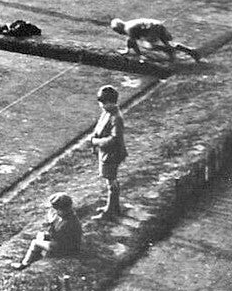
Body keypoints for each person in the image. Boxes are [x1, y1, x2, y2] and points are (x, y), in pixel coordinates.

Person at [11, 192, 82, 270]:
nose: (57, 212)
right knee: (41, 235)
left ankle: (24, 264)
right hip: (68, 245)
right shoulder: (70, 217)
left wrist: (50, 223)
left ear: (63, 209)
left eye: (58, 210)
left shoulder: (66, 223)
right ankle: (37, 255)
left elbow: (55, 236)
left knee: (35, 242)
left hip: (65, 249)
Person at [89, 84, 127, 221]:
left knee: (111, 181)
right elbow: (99, 127)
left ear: (111, 102)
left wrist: (96, 142)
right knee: (110, 179)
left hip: (112, 153)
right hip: (106, 152)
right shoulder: (107, 113)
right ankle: (113, 207)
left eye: (104, 103)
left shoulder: (116, 117)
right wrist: (93, 137)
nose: (101, 105)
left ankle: (110, 210)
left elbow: (115, 139)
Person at [110, 18, 201, 63]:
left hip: (153, 29)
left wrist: (140, 55)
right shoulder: (129, 25)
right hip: (158, 25)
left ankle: (169, 51)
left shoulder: (128, 29)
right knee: (169, 43)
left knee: (148, 45)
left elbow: (133, 42)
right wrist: (127, 49)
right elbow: (130, 40)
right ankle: (191, 51)